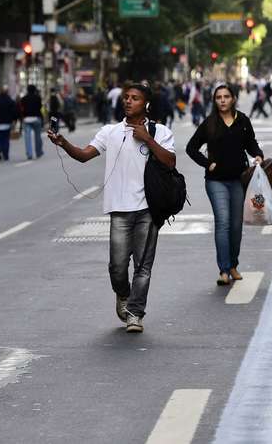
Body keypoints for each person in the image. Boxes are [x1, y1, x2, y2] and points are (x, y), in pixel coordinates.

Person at [48, 84, 176, 333]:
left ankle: (135, 314)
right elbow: (84, 155)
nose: (128, 101)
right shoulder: (110, 131)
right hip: (119, 209)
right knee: (117, 267)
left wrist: (147, 139)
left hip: (148, 209)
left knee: (143, 266)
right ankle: (123, 294)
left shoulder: (159, 131)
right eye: (126, 97)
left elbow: (170, 162)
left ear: (146, 104)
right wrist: (63, 142)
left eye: (135, 98)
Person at [186, 83, 264, 286]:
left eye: (226, 96)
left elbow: (251, 143)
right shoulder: (210, 123)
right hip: (216, 182)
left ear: (233, 99)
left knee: (236, 225)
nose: (222, 100)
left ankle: (233, 265)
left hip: (239, 180)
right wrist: (208, 164)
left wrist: (258, 155)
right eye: (218, 97)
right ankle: (223, 270)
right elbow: (191, 148)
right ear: (215, 100)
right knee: (223, 222)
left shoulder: (243, 120)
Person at [0, 85, 18, 161]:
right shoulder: (10, 101)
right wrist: (14, 121)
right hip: (7, 124)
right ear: (7, 92)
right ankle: (5, 154)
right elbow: (14, 112)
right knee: (5, 139)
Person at [20, 85, 44, 160]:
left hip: (26, 119)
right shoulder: (38, 98)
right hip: (36, 118)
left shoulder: (23, 98)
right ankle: (38, 152)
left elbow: (22, 109)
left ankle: (29, 154)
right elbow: (40, 107)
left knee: (27, 138)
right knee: (38, 137)